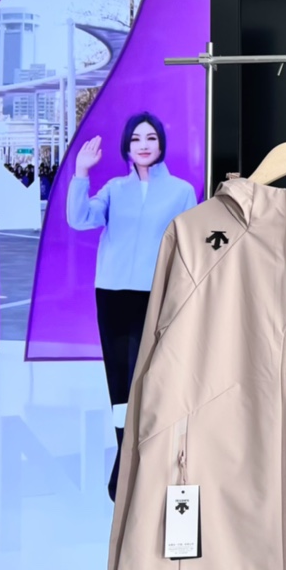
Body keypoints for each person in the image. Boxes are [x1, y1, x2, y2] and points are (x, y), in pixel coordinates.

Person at [67, 111, 197, 500]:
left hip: (154, 296)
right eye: (137, 138)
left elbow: (189, 247)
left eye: (151, 138)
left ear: (161, 145)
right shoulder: (113, 190)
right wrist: (81, 173)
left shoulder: (181, 192)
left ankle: (139, 464)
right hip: (111, 295)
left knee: (148, 381)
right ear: (126, 146)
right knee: (119, 383)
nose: (143, 145)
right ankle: (127, 462)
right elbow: (79, 219)